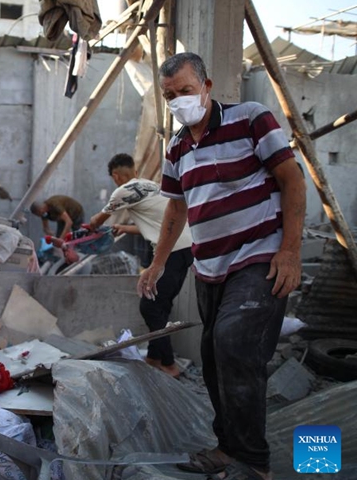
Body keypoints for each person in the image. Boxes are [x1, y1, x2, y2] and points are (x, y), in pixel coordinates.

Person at [138, 52, 305, 480]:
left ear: (207, 86)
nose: (178, 102)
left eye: (186, 91)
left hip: (258, 258)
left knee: (234, 342)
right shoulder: (176, 147)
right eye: (169, 96)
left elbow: (291, 179)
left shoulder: (251, 119)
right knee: (214, 359)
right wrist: (157, 263)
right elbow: (175, 210)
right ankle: (229, 449)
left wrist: (289, 250)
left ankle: (255, 462)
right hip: (209, 268)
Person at [85, 153, 193, 377]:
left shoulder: (122, 191)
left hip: (170, 252)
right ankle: (153, 358)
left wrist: (85, 232)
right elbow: (155, 223)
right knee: (160, 304)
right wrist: (125, 228)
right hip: (186, 248)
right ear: (134, 171)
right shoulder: (150, 186)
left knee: (150, 307)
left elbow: (97, 221)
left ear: (116, 176)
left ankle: (170, 365)